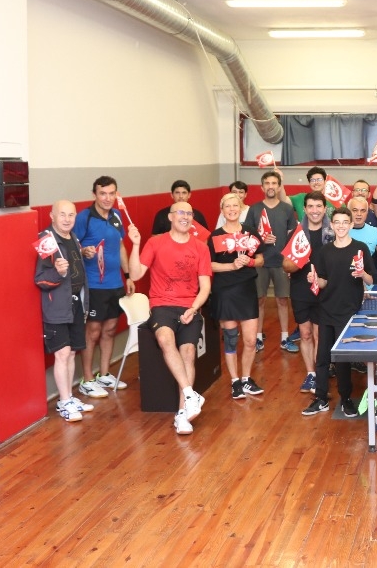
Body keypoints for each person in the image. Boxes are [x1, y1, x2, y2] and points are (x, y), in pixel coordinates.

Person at [128, 203, 211, 435]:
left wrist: (193, 308)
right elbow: (135, 274)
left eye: (189, 214)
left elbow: (205, 286)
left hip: (189, 306)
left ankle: (183, 414)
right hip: (162, 305)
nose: (185, 217)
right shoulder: (155, 243)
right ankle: (190, 395)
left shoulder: (200, 247)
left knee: (188, 353)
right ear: (171, 217)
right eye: (181, 213)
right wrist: (136, 244)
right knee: (165, 339)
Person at [302, 207, 377, 417]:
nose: (341, 226)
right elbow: (324, 282)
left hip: (349, 311)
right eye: (337, 222)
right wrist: (315, 280)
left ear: (351, 225)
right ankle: (321, 398)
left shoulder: (360, 248)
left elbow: (372, 278)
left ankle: (346, 399)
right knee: (322, 358)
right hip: (326, 309)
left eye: (345, 222)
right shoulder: (324, 251)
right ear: (332, 225)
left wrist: (362, 274)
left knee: (342, 359)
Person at [72, 176, 135, 398]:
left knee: (110, 329)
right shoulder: (84, 218)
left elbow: (120, 246)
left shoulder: (117, 215)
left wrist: (128, 276)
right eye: (102, 194)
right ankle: (87, 379)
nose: (107, 198)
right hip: (93, 285)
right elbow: (72, 246)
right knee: (93, 332)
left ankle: (104, 373)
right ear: (95, 195)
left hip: (115, 283)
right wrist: (83, 251)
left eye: (111, 194)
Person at [35, 200, 94, 422]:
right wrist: (57, 273)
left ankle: (67, 397)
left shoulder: (73, 237)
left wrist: (83, 252)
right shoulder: (46, 240)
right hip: (57, 307)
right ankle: (65, 401)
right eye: (62, 215)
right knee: (62, 353)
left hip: (76, 304)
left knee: (71, 353)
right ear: (52, 216)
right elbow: (40, 279)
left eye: (71, 215)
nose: (67, 219)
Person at [208, 192, 264, 400]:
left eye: (235, 205)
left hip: (247, 290)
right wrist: (231, 266)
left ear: (241, 208)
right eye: (227, 206)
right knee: (231, 340)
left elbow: (261, 259)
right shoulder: (215, 236)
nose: (232, 209)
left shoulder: (250, 232)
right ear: (222, 211)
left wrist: (250, 262)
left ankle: (246, 379)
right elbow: (209, 265)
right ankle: (235, 381)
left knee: (250, 340)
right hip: (225, 291)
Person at [282, 192, 334, 394]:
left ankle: (321, 373)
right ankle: (311, 374)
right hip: (301, 290)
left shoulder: (332, 233)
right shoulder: (296, 234)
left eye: (318, 206)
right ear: (304, 209)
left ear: (325, 208)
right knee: (305, 334)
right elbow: (286, 265)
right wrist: (297, 262)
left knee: (320, 335)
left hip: (325, 290)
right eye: (310, 206)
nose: (314, 210)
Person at [243, 171, 299, 352]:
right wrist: (261, 239)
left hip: (281, 262)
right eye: (267, 183)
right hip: (260, 261)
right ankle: (258, 338)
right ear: (262, 187)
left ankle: (284, 338)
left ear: (279, 186)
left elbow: (292, 236)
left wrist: (290, 260)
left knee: (282, 300)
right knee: (259, 300)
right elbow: (247, 237)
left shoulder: (287, 209)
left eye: (274, 183)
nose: (271, 186)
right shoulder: (254, 209)